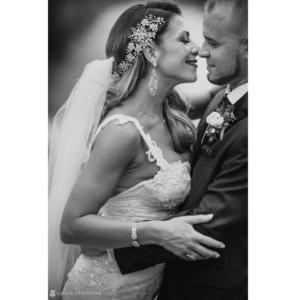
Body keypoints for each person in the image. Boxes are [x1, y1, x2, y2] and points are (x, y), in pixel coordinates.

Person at [48, 2, 225, 299]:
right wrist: (159, 232)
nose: (198, 49)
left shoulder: (174, 109)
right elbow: (71, 226)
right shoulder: (122, 133)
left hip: (150, 287)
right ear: (151, 52)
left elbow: (222, 94)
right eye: (184, 39)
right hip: (106, 288)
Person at [113, 0, 248, 299]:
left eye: (213, 42)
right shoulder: (223, 96)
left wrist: (115, 247)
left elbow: (210, 223)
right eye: (191, 37)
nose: (201, 50)